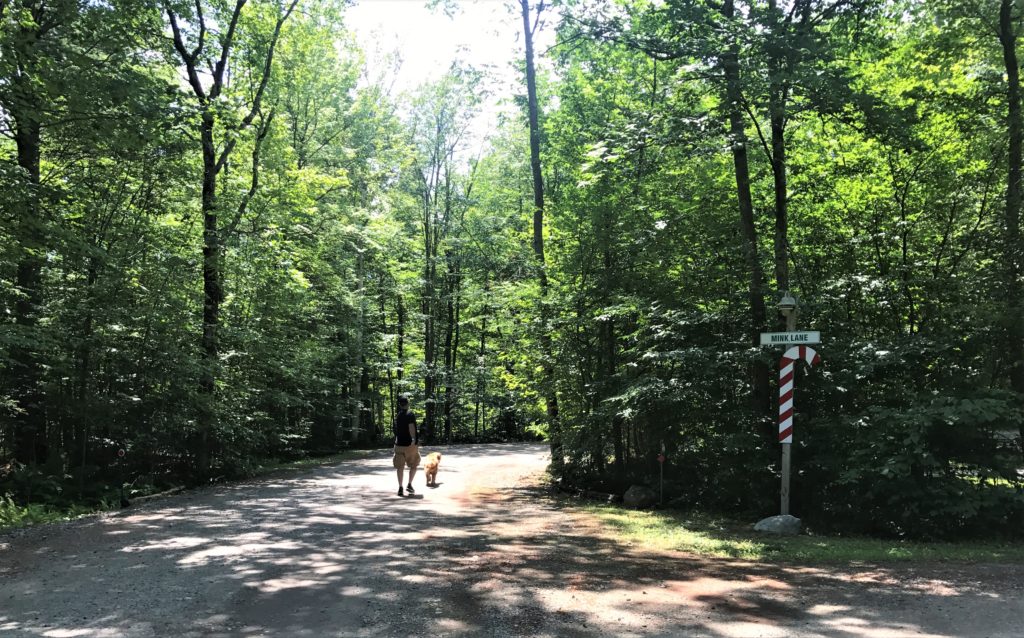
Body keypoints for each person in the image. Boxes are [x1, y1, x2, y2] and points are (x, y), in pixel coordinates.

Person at [392, 394, 420, 496]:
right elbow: (411, 427)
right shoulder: (410, 414)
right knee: (414, 465)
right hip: (410, 445)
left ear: (400, 405)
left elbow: (397, 430)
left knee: (400, 467)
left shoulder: (398, 416)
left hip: (399, 444)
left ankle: (400, 487)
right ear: (407, 404)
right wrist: (413, 439)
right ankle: (409, 484)